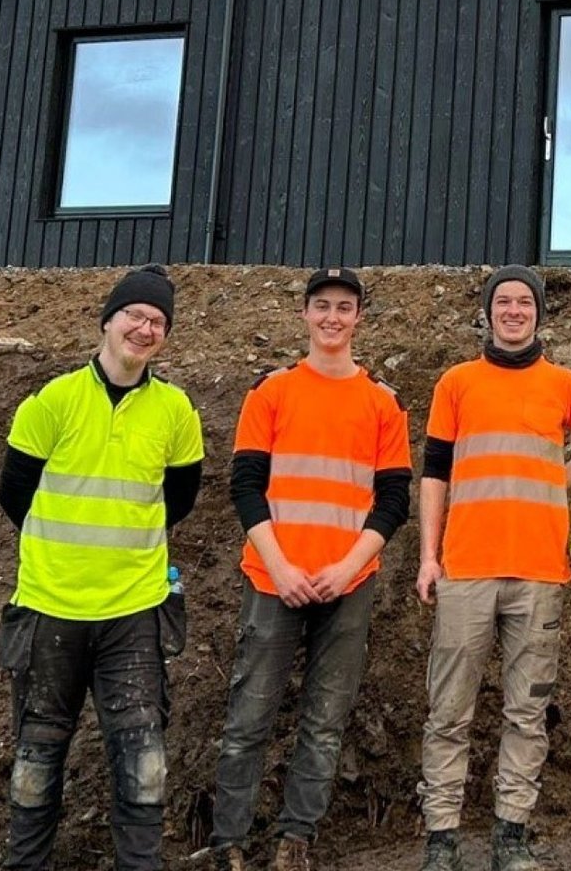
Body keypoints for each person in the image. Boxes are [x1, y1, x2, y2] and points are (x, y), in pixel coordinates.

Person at [0, 264, 206, 871]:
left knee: (144, 765)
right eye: (135, 316)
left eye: (158, 321)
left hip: (134, 613)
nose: (145, 328)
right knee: (36, 760)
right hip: (48, 607)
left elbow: (181, 498)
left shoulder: (175, 411)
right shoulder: (53, 401)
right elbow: (15, 492)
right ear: (108, 321)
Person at [211, 267, 414, 871]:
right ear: (304, 314)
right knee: (249, 717)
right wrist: (281, 566)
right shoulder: (271, 392)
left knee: (325, 720)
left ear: (358, 318)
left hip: (346, 583)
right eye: (322, 305)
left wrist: (348, 566)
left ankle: (295, 840)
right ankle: (229, 845)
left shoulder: (381, 402)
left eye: (344, 308)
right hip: (274, 578)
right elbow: (245, 487)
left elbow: (394, 499)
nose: (332, 317)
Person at [413, 266, 571, 871]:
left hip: (541, 571)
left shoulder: (565, 385)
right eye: (504, 301)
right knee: (450, 709)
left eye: (525, 302)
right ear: (488, 311)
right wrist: (427, 556)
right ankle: (441, 837)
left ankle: (510, 834)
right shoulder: (457, 383)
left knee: (527, 711)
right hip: (465, 569)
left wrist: (559, 481)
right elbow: (435, 475)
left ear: (539, 313)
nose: (514, 311)